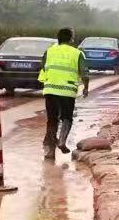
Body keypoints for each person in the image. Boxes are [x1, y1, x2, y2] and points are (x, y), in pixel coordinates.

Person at [38, 28, 89, 157]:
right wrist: (86, 88)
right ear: (71, 39)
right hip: (67, 91)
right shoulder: (77, 53)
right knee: (67, 118)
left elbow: (43, 66)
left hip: (50, 90)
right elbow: (84, 73)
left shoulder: (49, 51)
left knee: (52, 119)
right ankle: (61, 141)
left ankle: (49, 151)